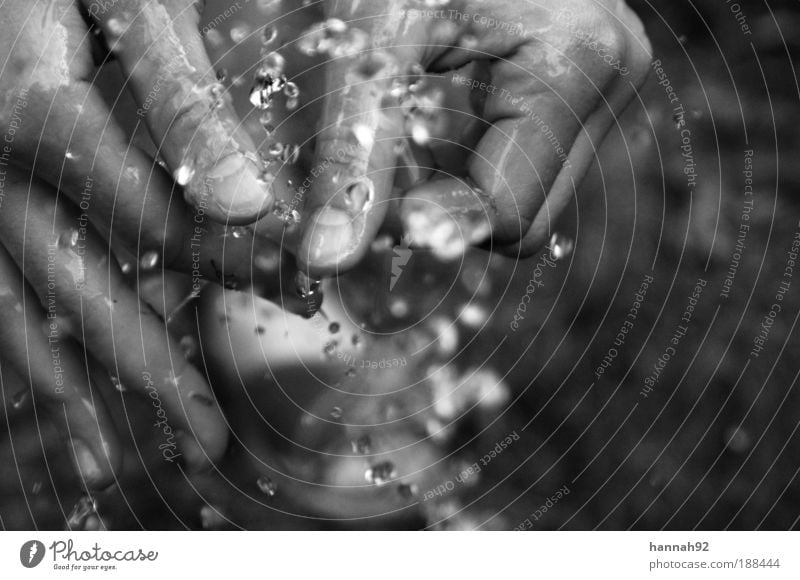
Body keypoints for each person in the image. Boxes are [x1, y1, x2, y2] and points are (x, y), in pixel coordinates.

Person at [0, 0, 651, 491]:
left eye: (319, 437)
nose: (377, 371)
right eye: (404, 424)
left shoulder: (118, 151)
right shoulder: (445, 118)